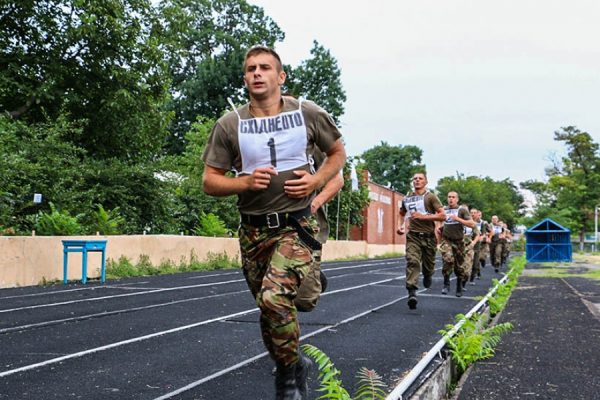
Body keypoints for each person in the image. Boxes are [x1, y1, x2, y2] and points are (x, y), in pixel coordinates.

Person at [202, 46, 346, 400]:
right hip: (253, 231)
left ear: (280, 77)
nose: (257, 73)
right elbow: (209, 181)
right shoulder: (230, 124)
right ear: (245, 78)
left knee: (274, 296)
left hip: (296, 224)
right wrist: (245, 183)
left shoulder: (306, 113)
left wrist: (315, 183)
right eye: (250, 68)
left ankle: (286, 379)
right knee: (269, 310)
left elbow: (338, 154)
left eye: (265, 67)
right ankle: (295, 363)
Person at [294, 149, 343, 311]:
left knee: (304, 300)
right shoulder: (256, 135)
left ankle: (311, 275)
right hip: (263, 226)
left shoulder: (313, 143)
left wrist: (315, 203)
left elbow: (337, 180)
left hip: (302, 224)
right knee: (272, 296)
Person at [396, 172, 445, 309]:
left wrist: (423, 217)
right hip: (413, 236)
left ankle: (428, 275)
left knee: (428, 267)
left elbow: (443, 216)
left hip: (429, 237)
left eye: (420, 179)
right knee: (412, 261)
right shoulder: (407, 198)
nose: (417, 180)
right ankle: (412, 292)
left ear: (426, 182)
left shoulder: (430, 197)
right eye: (415, 179)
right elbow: (401, 213)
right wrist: (400, 226)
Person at [439, 192, 475, 297]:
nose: (451, 199)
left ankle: (459, 285)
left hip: (459, 241)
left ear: (457, 199)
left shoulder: (462, 210)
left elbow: (472, 224)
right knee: (448, 260)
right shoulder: (443, 209)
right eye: (449, 197)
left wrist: (458, 219)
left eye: (453, 197)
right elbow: (437, 220)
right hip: (447, 240)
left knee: (459, 266)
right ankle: (446, 283)